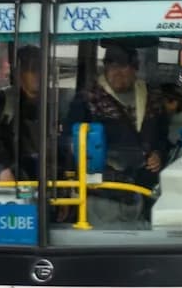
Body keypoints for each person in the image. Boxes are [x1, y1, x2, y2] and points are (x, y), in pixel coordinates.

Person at [63, 44, 167, 223]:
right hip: (103, 191)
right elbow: (69, 141)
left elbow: (163, 135)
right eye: (111, 66)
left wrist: (158, 153)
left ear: (135, 68)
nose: (117, 72)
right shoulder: (88, 100)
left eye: (123, 66)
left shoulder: (153, 98)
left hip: (145, 188)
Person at [0, 45, 41, 182]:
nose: (38, 74)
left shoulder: (50, 104)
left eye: (41, 69)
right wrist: (3, 167)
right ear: (19, 73)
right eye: (32, 69)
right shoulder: (2, 101)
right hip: (10, 175)